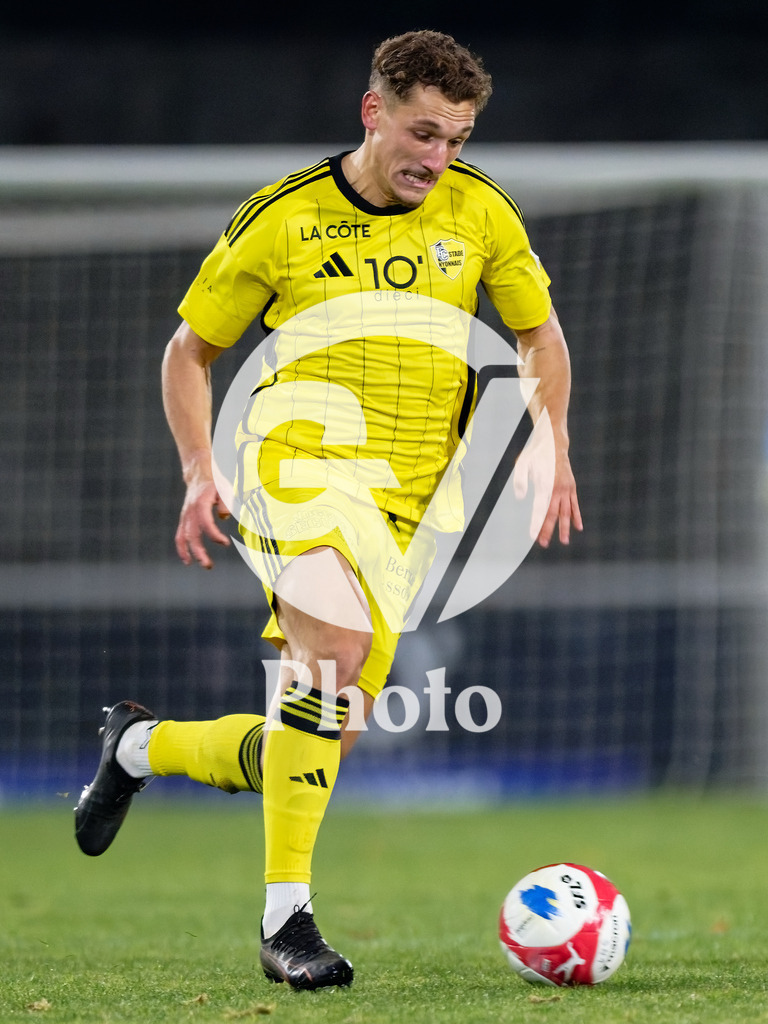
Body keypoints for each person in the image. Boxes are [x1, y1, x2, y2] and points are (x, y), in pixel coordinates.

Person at [74, 29, 582, 991]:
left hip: (410, 508)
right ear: (373, 111)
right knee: (328, 657)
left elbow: (540, 337)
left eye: (458, 141)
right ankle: (286, 924)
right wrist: (196, 466)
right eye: (423, 133)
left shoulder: (480, 216)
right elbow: (191, 351)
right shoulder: (284, 218)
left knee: (324, 727)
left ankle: (140, 747)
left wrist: (551, 440)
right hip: (293, 465)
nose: (437, 160)